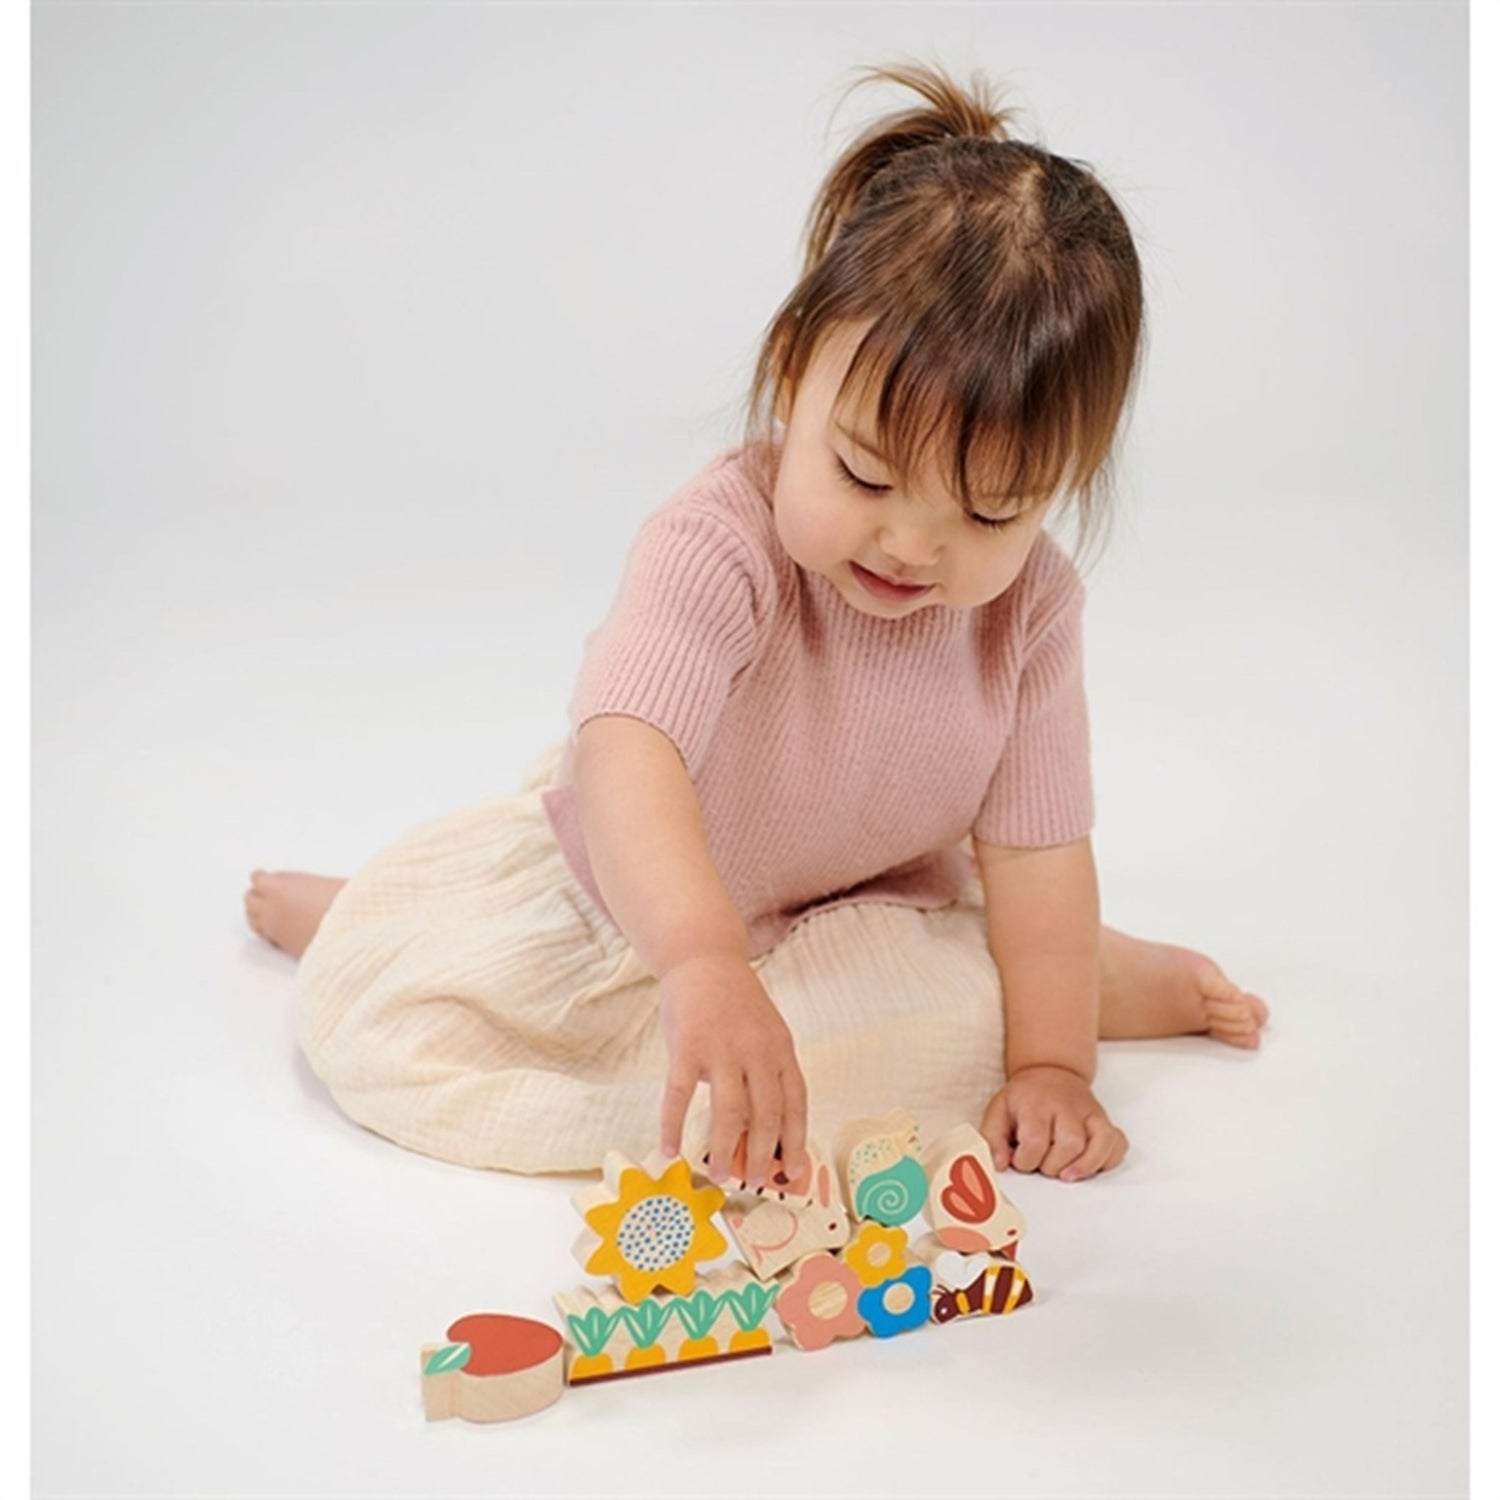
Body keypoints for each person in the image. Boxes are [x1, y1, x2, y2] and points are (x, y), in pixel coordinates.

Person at [244, 60, 1268, 1189]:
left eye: (989, 513)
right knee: (511, 1035)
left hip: (870, 903)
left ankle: (1076, 994)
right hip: (648, 900)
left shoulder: (1032, 609)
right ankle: (379, 920)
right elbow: (627, 751)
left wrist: (1054, 1067)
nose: (911, 546)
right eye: (865, 475)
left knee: (913, 1039)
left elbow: (1036, 850)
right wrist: (700, 961)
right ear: (792, 378)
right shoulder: (720, 541)